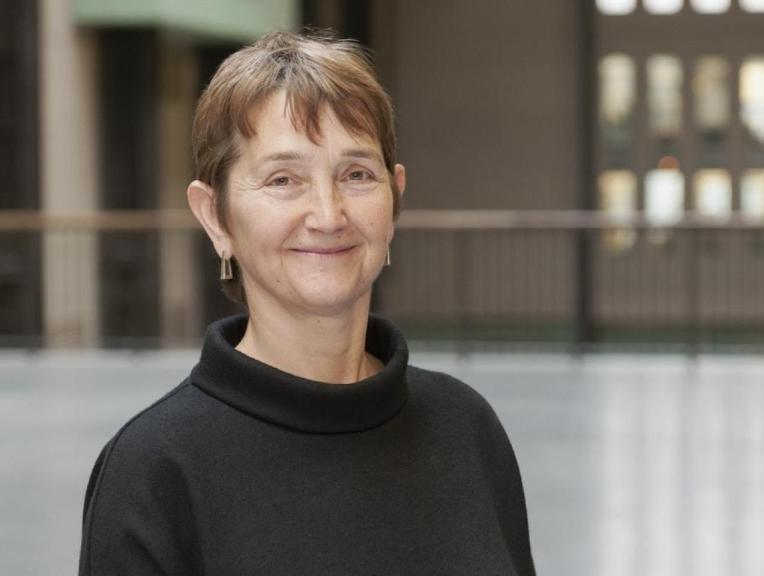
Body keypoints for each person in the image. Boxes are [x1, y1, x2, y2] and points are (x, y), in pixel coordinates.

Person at [78, 31, 536, 575]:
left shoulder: (466, 429)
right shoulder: (153, 470)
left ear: (394, 201)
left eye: (357, 175)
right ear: (215, 218)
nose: (328, 214)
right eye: (283, 179)